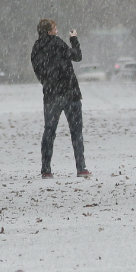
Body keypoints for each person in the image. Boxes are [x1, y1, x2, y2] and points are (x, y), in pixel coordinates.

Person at [30, 18, 91, 178]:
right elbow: (77, 56)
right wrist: (74, 39)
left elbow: (38, 70)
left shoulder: (36, 48)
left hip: (51, 95)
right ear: (50, 31)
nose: (57, 30)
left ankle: (46, 169)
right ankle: (81, 167)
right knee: (76, 132)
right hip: (70, 93)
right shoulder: (59, 44)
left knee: (49, 131)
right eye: (55, 28)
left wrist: (47, 82)